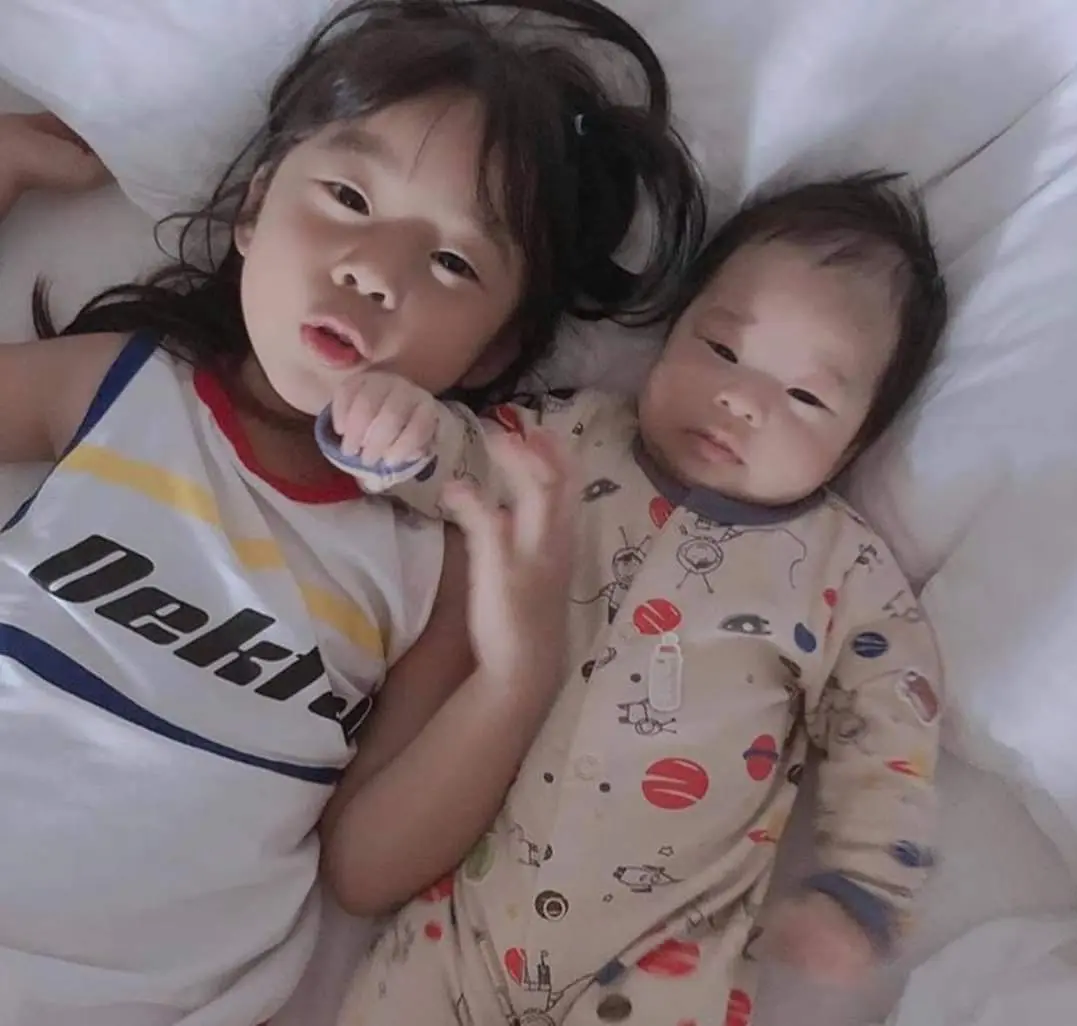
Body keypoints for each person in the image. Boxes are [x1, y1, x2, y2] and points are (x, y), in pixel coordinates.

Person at [0, 1, 706, 1023]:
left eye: (454, 262)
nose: (374, 271)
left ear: (495, 353)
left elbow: (364, 869)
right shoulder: (124, 390)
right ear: (254, 209)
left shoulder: (438, 550)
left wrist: (519, 672)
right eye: (347, 196)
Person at [322, 172, 948, 1025]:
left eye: (805, 397)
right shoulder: (572, 440)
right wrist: (395, 429)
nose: (739, 399)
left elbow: (892, 730)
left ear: (854, 446)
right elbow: (459, 463)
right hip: (456, 917)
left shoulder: (846, 576)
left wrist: (864, 889)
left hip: (662, 962)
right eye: (720, 349)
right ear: (673, 330)